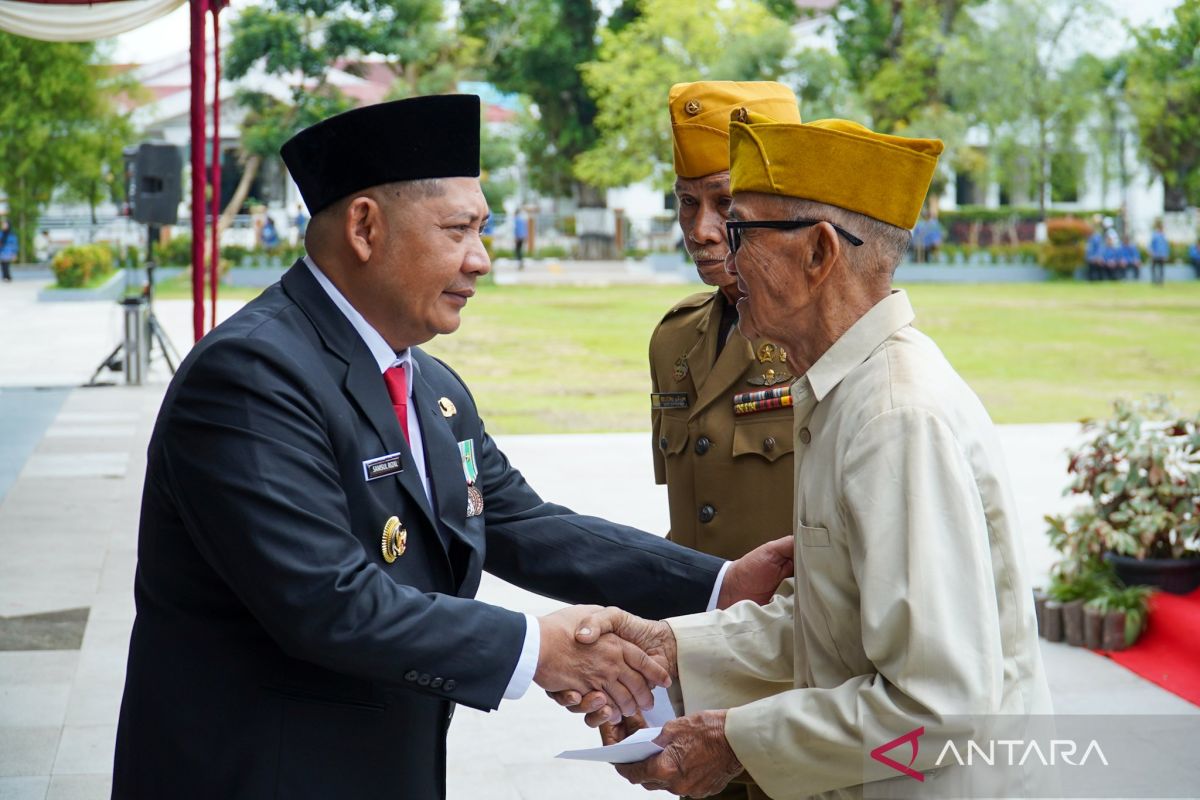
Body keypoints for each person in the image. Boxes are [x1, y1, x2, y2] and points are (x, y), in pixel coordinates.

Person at [111, 95, 795, 800]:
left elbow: (520, 523)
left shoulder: (428, 383)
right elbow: (324, 601)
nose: (482, 259)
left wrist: (719, 584)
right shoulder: (253, 376)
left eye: (483, 230)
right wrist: (538, 648)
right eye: (459, 230)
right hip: (261, 772)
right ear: (365, 227)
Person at [583, 114, 1052, 799]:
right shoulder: (845, 391)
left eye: (741, 232)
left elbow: (939, 707)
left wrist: (735, 742)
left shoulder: (893, 417)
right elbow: (830, 628)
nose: (723, 256)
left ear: (819, 252)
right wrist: (673, 649)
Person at [649, 80, 802, 800]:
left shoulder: (825, 342)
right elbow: (689, 520)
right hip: (704, 681)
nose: (701, 229)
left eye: (724, 203)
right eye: (687, 203)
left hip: (803, 693)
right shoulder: (675, 340)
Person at [1150, 221, 1169, 285]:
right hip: (1155, 255)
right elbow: (1151, 245)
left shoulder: (1163, 236)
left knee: (1161, 268)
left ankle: (1161, 281)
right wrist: (1152, 252)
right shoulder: (1155, 236)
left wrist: (1166, 254)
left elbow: (1166, 246)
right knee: (1153, 268)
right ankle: (1154, 280)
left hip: (1162, 255)